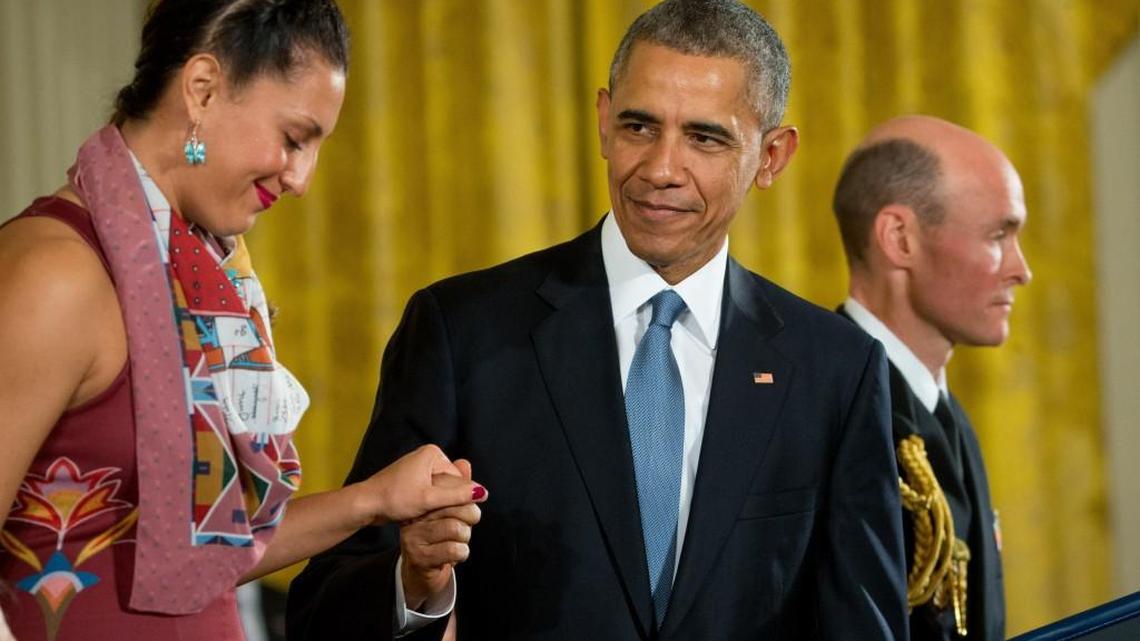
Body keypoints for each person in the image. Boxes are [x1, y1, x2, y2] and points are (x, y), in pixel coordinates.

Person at [288, 1, 908, 639]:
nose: (661, 169)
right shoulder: (463, 333)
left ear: (772, 156)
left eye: (704, 137)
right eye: (639, 127)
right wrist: (416, 585)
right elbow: (324, 607)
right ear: (604, 122)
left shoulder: (836, 367)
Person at [0, 1, 487, 640]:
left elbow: (205, 556)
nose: (302, 178)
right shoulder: (52, 273)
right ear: (201, 89)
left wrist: (375, 500)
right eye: (293, 138)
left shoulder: (198, 275)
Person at [833, 115, 1031, 640]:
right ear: (899, 238)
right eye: (998, 235)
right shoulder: (821, 403)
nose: (1021, 269)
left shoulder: (945, 414)